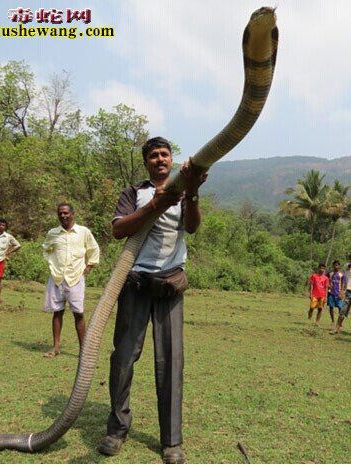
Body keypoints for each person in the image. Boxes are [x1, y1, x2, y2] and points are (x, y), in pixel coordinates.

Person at [98, 137, 208, 464]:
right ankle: (117, 430)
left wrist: (192, 193)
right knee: (122, 361)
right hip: (134, 284)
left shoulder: (184, 191)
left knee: (171, 363)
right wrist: (153, 206)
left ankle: (172, 442)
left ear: (172, 160)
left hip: (169, 287)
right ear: (146, 162)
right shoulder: (134, 193)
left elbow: (192, 227)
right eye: (154, 155)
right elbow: (119, 231)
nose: (160, 159)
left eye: (165, 154)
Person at [42, 203, 100, 358]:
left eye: (66, 213)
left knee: (78, 314)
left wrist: (89, 266)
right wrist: (52, 264)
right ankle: (55, 348)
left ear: (72, 214)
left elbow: (93, 249)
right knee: (57, 312)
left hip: (75, 277)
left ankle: (83, 350)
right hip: (57, 277)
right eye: (60, 213)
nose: (63, 216)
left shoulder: (83, 232)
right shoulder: (53, 233)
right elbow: (46, 249)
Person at [326, 260, 346, 326]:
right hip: (331, 292)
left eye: (337, 265)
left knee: (340, 307)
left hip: (338, 293)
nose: (336, 266)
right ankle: (332, 321)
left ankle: (340, 321)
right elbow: (325, 279)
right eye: (334, 265)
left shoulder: (342, 274)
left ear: (339, 266)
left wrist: (342, 292)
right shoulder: (330, 273)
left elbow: (343, 283)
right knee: (331, 307)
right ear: (333, 266)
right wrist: (328, 285)